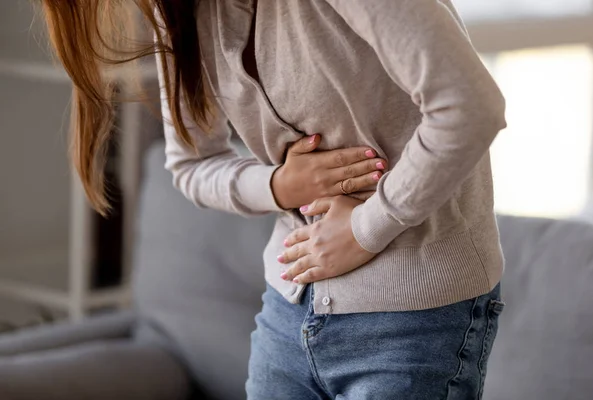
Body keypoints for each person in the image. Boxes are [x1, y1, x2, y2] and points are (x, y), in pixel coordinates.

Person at [41, 0, 507, 398]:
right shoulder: (179, 8)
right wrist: (281, 185)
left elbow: (470, 107)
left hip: (415, 321)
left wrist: (368, 227)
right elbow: (189, 164)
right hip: (287, 313)